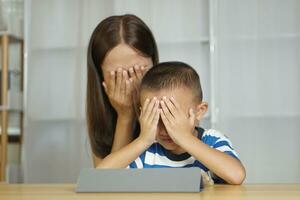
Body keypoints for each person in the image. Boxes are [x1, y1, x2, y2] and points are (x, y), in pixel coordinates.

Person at [97, 61, 246, 185]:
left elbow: (237, 175)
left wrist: (184, 137)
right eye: (156, 119)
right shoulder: (148, 153)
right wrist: (143, 140)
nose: (164, 130)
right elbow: (99, 179)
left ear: (199, 111)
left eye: (172, 118)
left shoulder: (211, 140)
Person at [86, 14, 159, 167]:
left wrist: (144, 103)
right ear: (100, 77)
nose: (130, 81)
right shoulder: (100, 109)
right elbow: (106, 181)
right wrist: (125, 116)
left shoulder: (175, 95)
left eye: (138, 70)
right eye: (118, 75)